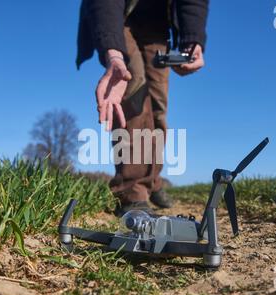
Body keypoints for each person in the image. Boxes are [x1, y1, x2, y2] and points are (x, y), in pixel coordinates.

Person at [77, 0, 210, 216]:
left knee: (158, 105)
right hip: (118, 17)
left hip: (157, 25)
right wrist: (114, 55)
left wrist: (193, 39)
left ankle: (152, 179)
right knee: (134, 89)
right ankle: (131, 190)